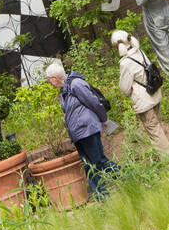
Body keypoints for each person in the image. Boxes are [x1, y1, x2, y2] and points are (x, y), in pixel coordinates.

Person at [45, 61, 120, 200]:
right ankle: (101, 198)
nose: (49, 83)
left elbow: (93, 102)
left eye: (49, 79)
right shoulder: (64, 91)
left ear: (55, 78)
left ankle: (128, 177)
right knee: (89, 167)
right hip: (79, 134)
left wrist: (104, 120)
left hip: (88, 130)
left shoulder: (75, 84)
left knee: (99, 161)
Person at [111, 30, 169, 156]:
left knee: (154, 130)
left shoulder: (125, 62)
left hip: (144, 101)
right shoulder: (139, 51)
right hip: (154, 94)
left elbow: (124, 88)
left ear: (117, 45)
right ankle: (162, 158)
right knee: (157, 128)